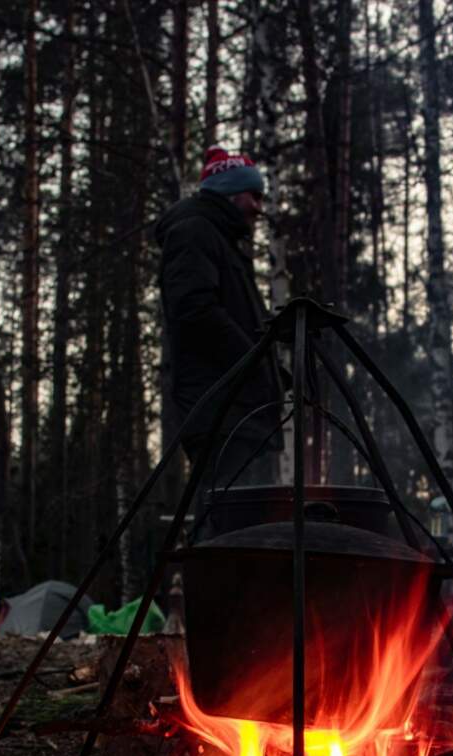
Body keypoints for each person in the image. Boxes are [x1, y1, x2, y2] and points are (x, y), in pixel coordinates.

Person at [156, 145, 285, 537]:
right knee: (226, 527)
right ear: (231, 192)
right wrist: (255, 359)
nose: (259, 209)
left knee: (245, 526)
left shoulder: (221, 242)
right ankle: (216, 598)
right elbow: (194, 311)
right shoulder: (193, 232)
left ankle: (238, 597)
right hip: (222, 413)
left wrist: (275, 375)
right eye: (255, 196)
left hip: (242, 413)